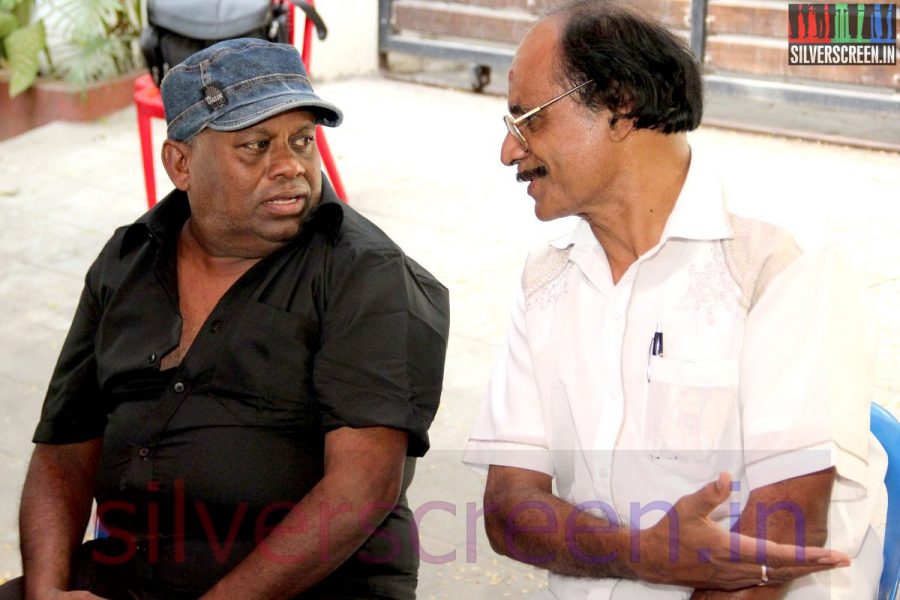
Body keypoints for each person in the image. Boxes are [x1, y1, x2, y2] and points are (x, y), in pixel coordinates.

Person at [462, 2, 886, 599]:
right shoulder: (546, 279)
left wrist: (656, 563)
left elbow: (779, 547)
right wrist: (647, 557)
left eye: (527, 119)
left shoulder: (776, 265)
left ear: (620, 105)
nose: (509, 152)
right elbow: (509, 510)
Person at [1, 38, 449, 600]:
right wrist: (47, 593)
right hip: (129, 574)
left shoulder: (364, 273)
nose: (289, 166)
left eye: (302, 141)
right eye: (256, 145)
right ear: (180, 164)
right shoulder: (127, 261)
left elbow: (362, 489)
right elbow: (64, 448)